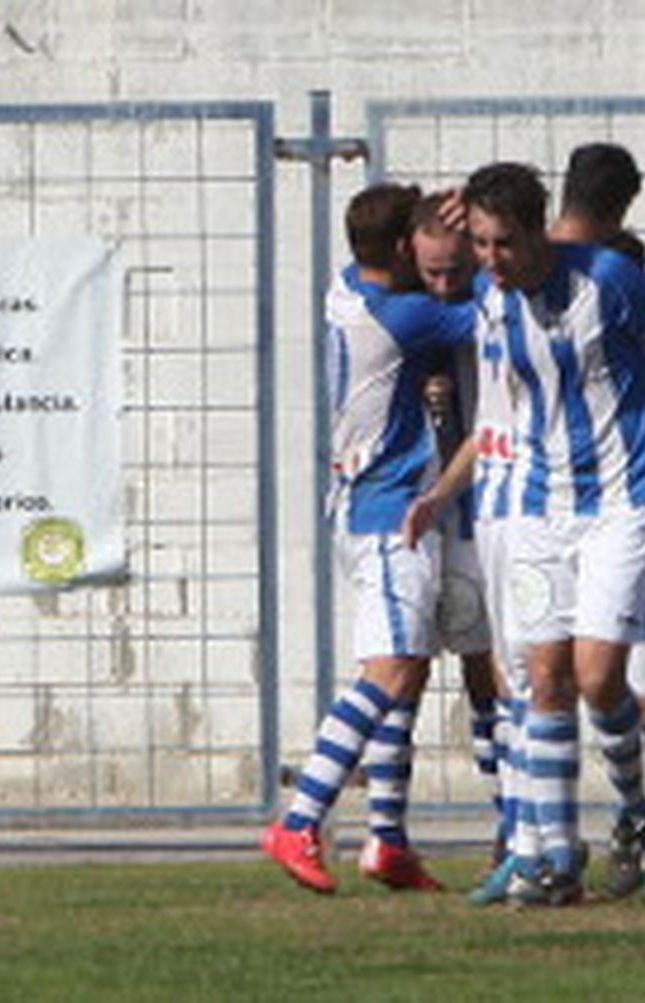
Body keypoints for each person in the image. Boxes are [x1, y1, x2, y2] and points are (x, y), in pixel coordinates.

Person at [405, 162, 645, 907]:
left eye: (502, 244)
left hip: (624, 502)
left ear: (539, 233)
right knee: (543, 676)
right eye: (481, 244)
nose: (489, 260)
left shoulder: (609, 282)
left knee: (600, 678)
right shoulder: (490, 298)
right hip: (536, 506)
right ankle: (555, 861)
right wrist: (440, 493)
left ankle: (636, 808)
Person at [261, 183, 476, 894]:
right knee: (387, 671)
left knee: (409, 673)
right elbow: (494, 312)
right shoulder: (407, 315)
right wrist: (485, 247)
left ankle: (387, 839)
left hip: (363, 503)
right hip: (391, 512)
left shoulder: (347, 286)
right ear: (403, 248)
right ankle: (299, 820)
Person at [550, 142, 645, 900]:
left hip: (636, 523)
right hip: (562, 516)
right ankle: (619, 813)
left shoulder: (638, 321)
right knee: (575, 683)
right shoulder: (539, 298)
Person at [409, 196, 518, 874]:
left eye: (457, 271)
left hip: (501, 505)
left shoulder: (497, 301)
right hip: (436, 514)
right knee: (446, 667)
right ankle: (503, 815)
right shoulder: (404, 312)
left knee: (506, 669)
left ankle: (521, 820)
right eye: (432, 273)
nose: (445, 285)